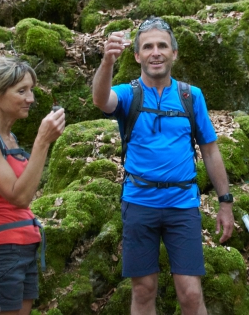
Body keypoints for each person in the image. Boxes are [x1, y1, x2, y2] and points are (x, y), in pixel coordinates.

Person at [92, 17, 235, 315]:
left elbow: (210, 151)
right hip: (138, 203)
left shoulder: (190, 96)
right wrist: (107, 62)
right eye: (147, 47)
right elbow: (101, 99)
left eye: (161, 46)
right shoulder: (129, 94)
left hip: (182, 205)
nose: (155, 52)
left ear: (174, 53)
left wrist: (225, 202)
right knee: (143, 290)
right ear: (137, 56)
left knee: (191, 293)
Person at [0, 57, 65, 315]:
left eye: (31, 90)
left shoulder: (10, 138)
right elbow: (19, 196)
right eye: (21, 91)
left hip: (24, 245)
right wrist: (42, 141)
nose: (30, 98)